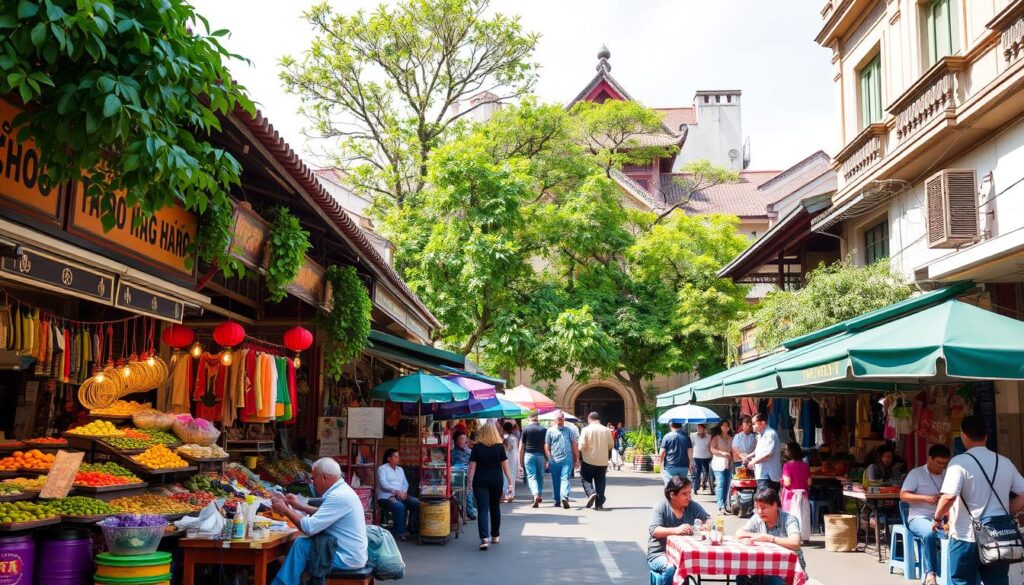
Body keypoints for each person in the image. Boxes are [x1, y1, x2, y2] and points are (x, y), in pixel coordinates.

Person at [933, 415, 1024, 585]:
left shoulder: (959, 463)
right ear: (986, 436)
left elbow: (949, 496)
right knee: (997, 581)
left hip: (965, 537)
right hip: (998, 536)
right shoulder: (1004, 462)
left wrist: (937, 518)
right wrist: (1009, 511)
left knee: (962, 581)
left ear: (964, 436)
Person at [270, 458, 368, 585]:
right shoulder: (342, 491)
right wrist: (298, 505)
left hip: (346, 557)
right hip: (350, 553)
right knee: (300, 545)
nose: (312, 482)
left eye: (313, 478)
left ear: (324, 478)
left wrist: (286, 511)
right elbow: (323, 513)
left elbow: (309, 528)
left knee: (301, 546)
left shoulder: (338, 496)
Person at [900, 444, 951, 585]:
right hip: (918, 517)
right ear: (929, 459)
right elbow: (903, 495)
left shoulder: (947, 474)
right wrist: (925, 498)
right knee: (929, 533)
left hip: (941, 517)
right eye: (938, 463)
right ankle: (930, 572)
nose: (941, 467)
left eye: (944, 464)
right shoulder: (916, 473)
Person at [734, 488, 805, 585]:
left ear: (775, 505)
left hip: (786, 567)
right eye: (756, 508)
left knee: (771, 580)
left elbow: (795, 543)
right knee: (741, 576)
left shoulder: (789, 519)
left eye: (763, 508)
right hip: (763, 565)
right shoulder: (757, 518)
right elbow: (739, 533)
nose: (759, 511)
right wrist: (757, 536)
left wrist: (770, 539)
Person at [647, 477, 710, 585]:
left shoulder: (692, 506)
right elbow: (654, 530)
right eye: (684, 494)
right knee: (671, 568)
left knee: (684, 569)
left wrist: (704, 526)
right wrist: (676, 530)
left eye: (690, 493)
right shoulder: (661, 507)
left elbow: (708, 520)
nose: (688, 497)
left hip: (684, 554)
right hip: (659, 553)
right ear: (672, 495)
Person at [469, 422, 514, 551]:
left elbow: (472, 467)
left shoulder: (477, 447)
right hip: (496, 480)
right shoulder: (499, 447)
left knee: (483, 509)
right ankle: (495, 535)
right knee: (495, 507)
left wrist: (468, 482)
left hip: (480, 481)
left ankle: (484, 538)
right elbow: (506, 467)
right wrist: (510, 482)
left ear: (482, 433)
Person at [375, 449, 420, 541]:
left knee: (416, 503)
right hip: (386, 496)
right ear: (389, 458)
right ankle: (400, 533)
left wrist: (404, 492)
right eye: (395, 456)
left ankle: (412, 527)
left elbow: (405, 483)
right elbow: (384, 484)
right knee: (399, 506)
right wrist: (396, 492)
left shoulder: (400, 470)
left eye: (398, 456)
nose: (398, 458)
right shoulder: (382, 469)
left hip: (401, 495)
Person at [579, 412, 613, 510]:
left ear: (589, 419)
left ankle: (591, 492)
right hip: (602, 461)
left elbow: (581, 446)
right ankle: (599, 504)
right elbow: (611, 445)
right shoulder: (606, 430)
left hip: (588, 460)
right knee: (600, 481)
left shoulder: (585, 429)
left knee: (585, 478)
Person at [545, 412, 579, 508]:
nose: (560, 420)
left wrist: (577, 459)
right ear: (555, 419)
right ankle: (557, 499)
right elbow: (547, 446)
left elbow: (574, 445)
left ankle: (564, 497)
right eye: (558, 418)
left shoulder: (569, 431)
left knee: (565, 478)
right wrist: (549, 458)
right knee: (556, 480)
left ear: (564, 419)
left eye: (561, 418)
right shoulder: (550, 431)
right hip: (554, 460)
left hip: (567, 459)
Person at [781, 441, 811, 542]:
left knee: (791, 516)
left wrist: (782, 481)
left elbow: (788, 482)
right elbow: (809, 482)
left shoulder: (787, 466)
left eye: (786, 449)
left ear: (790, 452)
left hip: (791, 496)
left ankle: (793, 536)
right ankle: (805, 537)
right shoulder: (805, 465)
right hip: (803, 494)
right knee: (804, 516)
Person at [744, 413, 782, 493]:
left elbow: (768, 453)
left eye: (754, 424)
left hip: (768, 476)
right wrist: (747, 457)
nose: (753, 426)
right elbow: (757, 451)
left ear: (763, 423)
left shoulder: (770, 434)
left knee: (766, 501)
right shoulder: (760, 435)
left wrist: (753, 462)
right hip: (762, 474)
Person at [519, 414, 547, 508]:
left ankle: (535, 494)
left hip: (528, 455)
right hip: (540, 456)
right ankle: (539, 494)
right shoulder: (543, 430)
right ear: (537, 420)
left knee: (531, 476)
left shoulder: (526, 429)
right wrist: (548, 459)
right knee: (540, 476)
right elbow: (545, 446)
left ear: (530, 419)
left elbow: (522, 446)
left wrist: (520, 460)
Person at [659, 421, 693, 486]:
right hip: (683, 466)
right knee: (681, 487)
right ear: (681, 426)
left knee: (670, 487)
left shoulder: (667, 436)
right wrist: (690, 463)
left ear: (671, 425)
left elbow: (662, 452)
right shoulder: (686, 437)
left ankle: (672, 496)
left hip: (670, 467)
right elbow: (690, 451)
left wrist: (660, 463)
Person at [710, 420, 733, 514]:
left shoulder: (730, 438)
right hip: (718, 463)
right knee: (721, 483)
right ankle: (720, 506)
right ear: (720, 427)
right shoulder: (716, 438)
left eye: (727, 425)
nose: (725, 427)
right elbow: (712, 449)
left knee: (727, 484)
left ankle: (725, 504)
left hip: (728, 463)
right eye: (723, 425)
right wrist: (722, 452)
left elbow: (732, 450)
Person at [452, 432, 477, 520]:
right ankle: (467, 512)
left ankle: (469, 511)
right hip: (457, 477)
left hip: (469, 475)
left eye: (465, 439)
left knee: (469, 492)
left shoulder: (469, 451)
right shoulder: (452, 453)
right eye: (461, 439)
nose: (464, 441)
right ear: (456, 441)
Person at [690, 424, 713, 495]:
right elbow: (691, 447)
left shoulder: (709, 437)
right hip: (696, 457)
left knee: (707, 473)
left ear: (704, 429)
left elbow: (710, 447)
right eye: (698, 428)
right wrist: (690, 458)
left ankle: (704, 483)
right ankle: (695, 488)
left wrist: (712, 456)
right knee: (697, 473)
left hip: (707, 457)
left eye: (701, 428)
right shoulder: (693, 436)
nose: (699, 429)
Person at [501, 421, 519, 503]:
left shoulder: (508, 439)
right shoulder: (515, 437)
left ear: (504, 429)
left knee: (506, 476)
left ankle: (507, 494)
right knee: (512, 476)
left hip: (508, 459)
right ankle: (511, 494)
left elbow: (506, 448)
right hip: (514, 459)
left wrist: (502, 441)